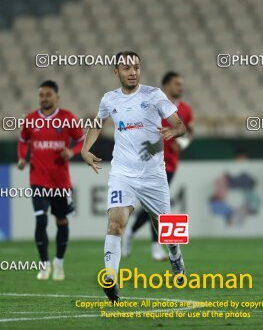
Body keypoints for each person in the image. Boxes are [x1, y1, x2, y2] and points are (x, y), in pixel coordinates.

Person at [81, 51, 187, 302]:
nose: (133, 72)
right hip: (122, 174)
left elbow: (181, 125)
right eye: (127, 68)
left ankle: (175, 257)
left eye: (136, 67)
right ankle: (110, 278)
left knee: (165, 229)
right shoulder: (109, 99)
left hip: (153, 175)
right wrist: (85, 149)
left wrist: (174, 131)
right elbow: (97, 124)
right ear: (115, 72)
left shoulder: (154, 95)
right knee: (115, 223)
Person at [123, 71, 194, 261]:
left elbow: (189, 131)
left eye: (181, 84)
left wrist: (185, 141)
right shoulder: (152, 103)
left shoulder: (185, 109)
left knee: (156, 207)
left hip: (169, 163)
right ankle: (153, 246)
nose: (181, 87)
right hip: (147, 162)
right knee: (156, 207)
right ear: (166, 85)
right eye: (177, 84)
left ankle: (134, 234)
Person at [17, 80, 84, 280]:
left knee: (61, 220)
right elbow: (23, 141)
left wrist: (71, 152)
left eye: (48, 94)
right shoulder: (30, 120)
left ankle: (59, 263)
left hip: (60, 182)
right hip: (37, 179)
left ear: (57, 97)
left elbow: (81, 140)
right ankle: (44, 264)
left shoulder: (67, 118)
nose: (44, 98)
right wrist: (22, 158)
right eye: (41, 95)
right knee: (40, 219)